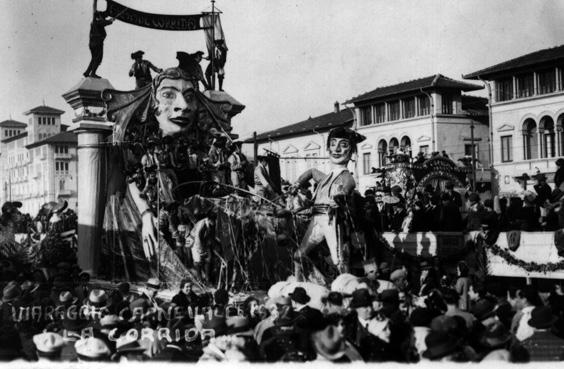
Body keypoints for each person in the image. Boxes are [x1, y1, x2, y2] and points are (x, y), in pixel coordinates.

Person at [292, 127, 365, 277]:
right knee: (298, 255)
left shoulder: (345, 175)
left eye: (344, 145)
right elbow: (312, 172)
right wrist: (297, 183)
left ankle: (345, 288)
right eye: (333, 144)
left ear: (351, 152)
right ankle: (301, 283)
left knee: (338, 260)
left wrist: (342, 194)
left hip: (332, 220)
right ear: (328, 148)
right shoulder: (326, 177)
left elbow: (349, 185)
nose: (337, 149)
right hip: (317, 220)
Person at [83, 2, 114, 78]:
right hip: (98, 43)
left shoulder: (94, 20)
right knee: (98, 59)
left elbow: (94, 7)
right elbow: (104, 22)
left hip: (92, 44)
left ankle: (87, 72)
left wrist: (95, 0)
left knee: (94, 58)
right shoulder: (98, 21)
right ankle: (93, 73)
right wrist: (111, 21)